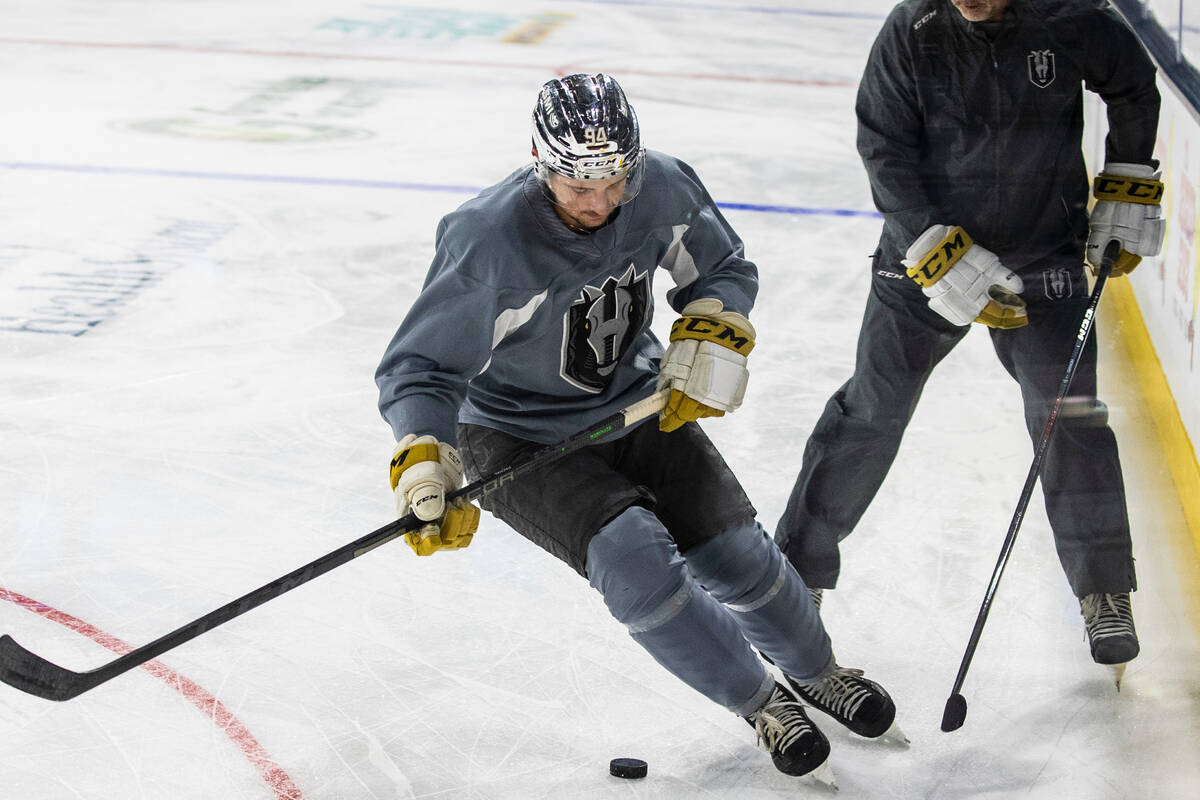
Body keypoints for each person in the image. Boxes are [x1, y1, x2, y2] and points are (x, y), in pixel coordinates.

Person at [376, 73, 901, 785]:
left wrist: (712, 327)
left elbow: (721, 266)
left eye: (614, 182)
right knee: (633, 558)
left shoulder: (662, 185)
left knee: (735, 551)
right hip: (518, 435)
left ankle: (818, 670)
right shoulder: (487, 240)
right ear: (540, 162)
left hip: (634, 399)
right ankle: (761, 702)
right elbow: (422, 368)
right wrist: (424, 456)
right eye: (577, 187)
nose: (599, 203)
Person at [774, 0, 1163, 686]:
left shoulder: (1069, 14)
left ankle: (1104, 588)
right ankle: (795, 576)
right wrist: (933, 246)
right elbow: (884, 146)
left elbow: (1133, 83)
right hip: (923, 260)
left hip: (1043, 254)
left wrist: (1128, 184)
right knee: (872, 411)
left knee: (1069, 416)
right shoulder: (912, 28)